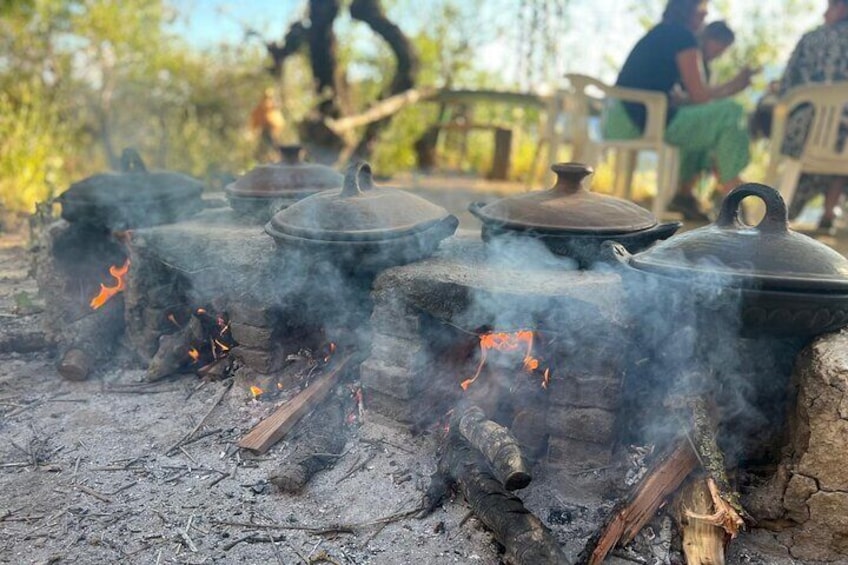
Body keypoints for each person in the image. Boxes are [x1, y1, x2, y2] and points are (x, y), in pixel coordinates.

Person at [602, 0, 757, 221]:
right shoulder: (682, 37)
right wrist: (735, 85)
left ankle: (687, 195)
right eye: (702, 11)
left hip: (618, 118)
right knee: (731, 112)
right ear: (689, 11)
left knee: (706, 127)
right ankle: (732, 189)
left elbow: (689, 98)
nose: (705, 16)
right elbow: (699, 96)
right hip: (640, 121)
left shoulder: (660, 33)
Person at [776, 0, 848, 231]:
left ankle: (781, 211)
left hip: (805, 138)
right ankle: (829, 210)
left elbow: (786, 88)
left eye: (831, 6)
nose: (826, 12)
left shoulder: (810, 39)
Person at [250, 88, 285, 162]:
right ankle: (259, 159)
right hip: (266, 130)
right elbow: (256, 117)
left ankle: (278, 158)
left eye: (270, 97)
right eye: (267, 97)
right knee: (266, 146)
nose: (268, 99)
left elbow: (278, 119)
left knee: (273, 146)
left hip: (272, 130)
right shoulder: (263, 106)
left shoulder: (273, 107)